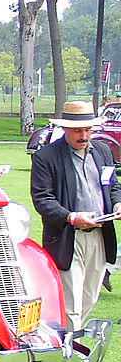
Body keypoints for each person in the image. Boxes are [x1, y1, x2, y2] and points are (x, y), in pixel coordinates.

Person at [31, 100, 121, 337]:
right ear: (65, 129)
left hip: (101, 235)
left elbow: (113, 187)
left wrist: (118, 203)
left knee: (90, 295)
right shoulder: (46, 157)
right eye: (78, 130)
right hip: (68, 237)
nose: (84, 136)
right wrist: (72, 217)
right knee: (72, 302)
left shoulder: (102, 151)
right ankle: (73, 357)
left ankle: (60, 340)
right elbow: (42, 200)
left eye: (88, 130)